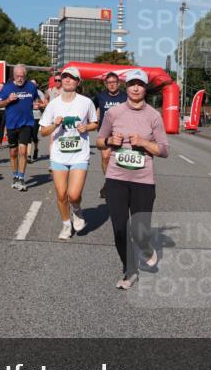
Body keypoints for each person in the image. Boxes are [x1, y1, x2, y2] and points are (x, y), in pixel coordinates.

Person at [96, 69, 170, 289]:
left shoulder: (153, 116)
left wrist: (144, 143)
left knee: (139, 231)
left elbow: (165, 150)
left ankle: (145, 248)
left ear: (145, 88)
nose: (135, 88)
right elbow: (99, 141)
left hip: (143, 181)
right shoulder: (114, 113)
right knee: (119, 229)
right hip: (116, 178)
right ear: (126, 87)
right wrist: (110, 141)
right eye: (132, 84)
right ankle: (130, 270)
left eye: (140, 84)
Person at [39, 67, 99, 239]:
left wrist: (86, 127)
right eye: (65, 77)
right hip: (59, 155)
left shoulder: (86, 102)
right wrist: (55, 125)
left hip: (80, 154)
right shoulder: (53, 104)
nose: (67, 80)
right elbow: (43, 132)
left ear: (78, 82)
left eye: (72, 78)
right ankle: (66, 225)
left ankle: (77, 210)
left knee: (73, 194)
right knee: (61, 194)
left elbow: (95, 123)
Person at [0, 64, 46, 191]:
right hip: (12, 124)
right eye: (17, 76)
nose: (20, 78)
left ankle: (21, 178)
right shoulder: (7, 87)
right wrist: (8, 100)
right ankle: (15, 176)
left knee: (23, 151)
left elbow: (37, 100)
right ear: (14, 76)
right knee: (13, 152)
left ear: (25, 76)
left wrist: (38, 104)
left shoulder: (31, 87)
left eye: (22, 76)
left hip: (26, 123)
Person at [93, 71, 127, 198]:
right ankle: (109, 182)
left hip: (121, 131)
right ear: (105, 84)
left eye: (114, 82)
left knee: (120, 159)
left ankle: (119, 183)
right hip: (105, 131)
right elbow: (91, 108)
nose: (112, 85)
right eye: (109, 82)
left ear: (119, 83)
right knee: (105, 157)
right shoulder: (100, 96)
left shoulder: (125, 97)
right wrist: (94, 121)